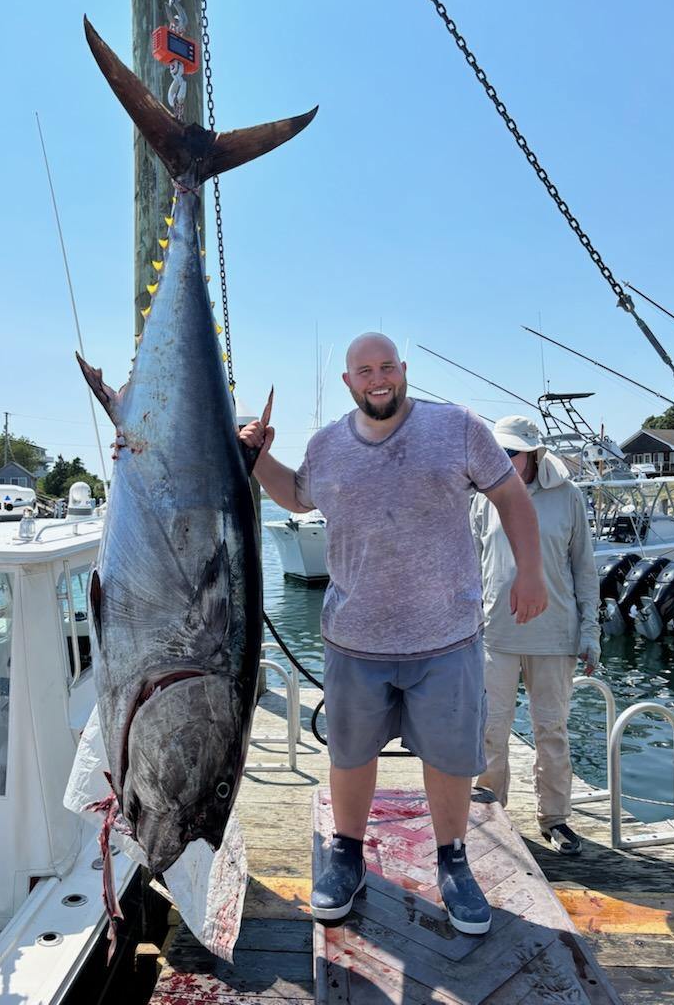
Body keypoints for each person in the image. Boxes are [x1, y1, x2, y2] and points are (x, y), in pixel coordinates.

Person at [239, 334, 547, 934]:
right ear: (350, 382)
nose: (377, 379)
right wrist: (257, 459)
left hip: (447, 638)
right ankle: (346, 855)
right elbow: (298, 499)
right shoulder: (326, 444)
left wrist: (531, 571)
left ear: (403, 372)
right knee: (351, 756)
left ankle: (454, 861)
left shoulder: (457, 427)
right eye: (364, 371)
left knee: (451, 759)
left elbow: (510, 494)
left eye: (386, 368)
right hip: (355, 641)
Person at [471, 416, 601, 856]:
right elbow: (471, 568)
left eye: (510, 453)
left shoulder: (568, 497)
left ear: (533, 454)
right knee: (490, 729)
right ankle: (492, 811)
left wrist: (591, 632)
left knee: (552, 730)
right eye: (497, 453)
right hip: (495, 634)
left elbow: (585, 568)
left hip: (554, 635)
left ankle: (556, 818)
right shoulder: (482, 499)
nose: (502, 461)